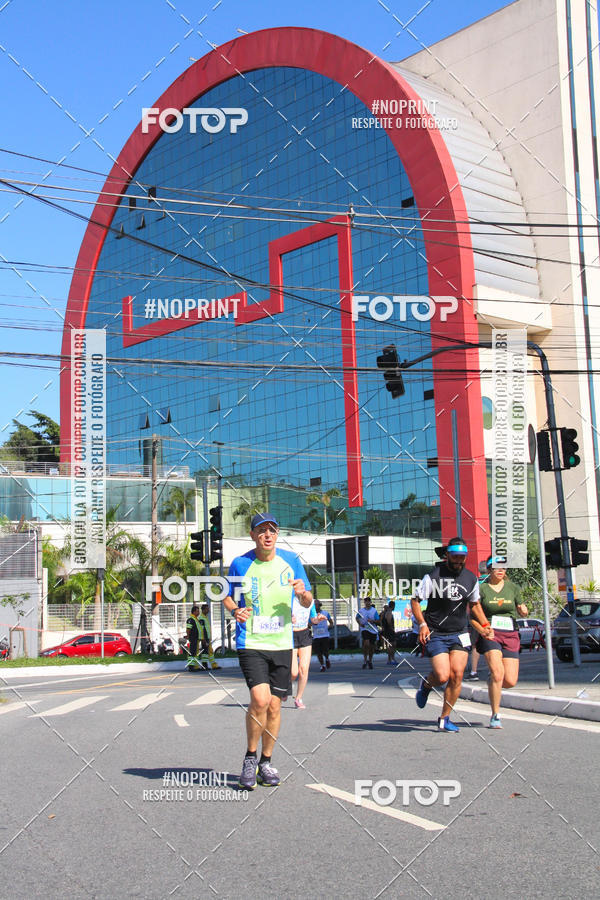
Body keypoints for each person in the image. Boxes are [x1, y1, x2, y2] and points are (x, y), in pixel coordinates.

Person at [223, 512, 313, 790]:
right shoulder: (240, 564)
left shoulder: (292, 561)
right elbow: (226, 595)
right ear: (252, 535)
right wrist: (236, 610)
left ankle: (266, 761)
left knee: (275, 706)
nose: (267, 534)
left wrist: (302, 593)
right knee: (260, 700)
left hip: (282, 644)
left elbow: (309, 600)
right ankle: (250, 759)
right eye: (261, 530)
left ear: (277, 534)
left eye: (272, 530)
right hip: (251, 642)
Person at [411, 537, 493, 732]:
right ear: (447, 555)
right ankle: (426, 686)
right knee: (441, 675)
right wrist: (422, 624)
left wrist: (485, 624)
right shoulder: (433, 577)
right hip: (436, 632)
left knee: (456, 675)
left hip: (459, 632)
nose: (458, 561)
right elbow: (415, 601)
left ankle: (444, 718)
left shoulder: (471, 578)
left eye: (462, 557)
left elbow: (474, 605)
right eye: (455, 556)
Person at [470, 556, 528, 728]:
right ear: (489, 570)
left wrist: (523, 610)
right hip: (490, 634)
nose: (501, 570)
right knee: (497, 673)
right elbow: (472, 617)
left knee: (510, 681)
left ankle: (492, 681)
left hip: (510, 633)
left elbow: (522, 608)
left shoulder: (513, 588)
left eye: (503, 567)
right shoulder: (482, 589)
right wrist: (482, 630)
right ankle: (495, 715)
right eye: (496, 568)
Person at [291, 596, 327, 708]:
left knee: (304, 669)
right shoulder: (288, 598)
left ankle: (298, 698)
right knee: (293, 672)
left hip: (305, 634)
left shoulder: (310, 601)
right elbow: (278, 618)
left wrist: (318, 619)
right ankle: (286, 685)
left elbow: (313, 619)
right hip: (290, 635)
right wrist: (287, 619)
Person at [356, 596, 379, 669]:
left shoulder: (374, 611)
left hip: (372, 629)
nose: (367, 603)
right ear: (364, 603)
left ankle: (370, 660)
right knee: (366, 643)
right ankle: (365, 660)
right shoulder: (361, 611)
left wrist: (373, 621)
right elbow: (357, 618)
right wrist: (360, 623)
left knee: (372, 647)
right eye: (366, 602)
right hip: (365, 628)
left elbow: (378, 620)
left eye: (369, 602)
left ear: (370, 602)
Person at [199, 603, 221, 670]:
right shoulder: (201, 618)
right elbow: (202, 630)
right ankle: (205, 665)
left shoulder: (205, 617)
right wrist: (204, 639)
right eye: (207, 609)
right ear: (203, 610)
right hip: (205, 638)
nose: (208, 610)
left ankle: (212, 665)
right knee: (205, 652)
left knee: (209, 652)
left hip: (207, 638)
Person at [312, 600, 332, 671]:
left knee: (325, 651)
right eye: (314, 605)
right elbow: (308, 624)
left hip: (325, 635)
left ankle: (327, 659)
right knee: (318, 652)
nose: (315, 606)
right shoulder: (312, 614)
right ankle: (322, 665)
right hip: (316, 636)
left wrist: (329, 627)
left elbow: (331, 622)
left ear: (319, 605)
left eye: (316, 605)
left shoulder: (325, 613)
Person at [185, 604, 205, 671]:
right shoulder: (191, 620)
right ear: (193, 612)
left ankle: (194, 666)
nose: (198, 613)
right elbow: (188, 629)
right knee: (192, 653)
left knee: (195, 653)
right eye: (197, 611)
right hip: (193, 638)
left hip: (196, 638)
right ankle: (191, 667)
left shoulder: (196, 619)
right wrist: (188, 637)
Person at [380, 599, 396, 664]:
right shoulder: (389, 612)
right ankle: (391, 659)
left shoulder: (384, 612)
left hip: (386, 630)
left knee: (390, 644)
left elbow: (381, 620)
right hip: (389, 630)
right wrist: (391, 627)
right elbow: (389, 620)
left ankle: (390, 659)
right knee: (392, 644)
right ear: (393, 606)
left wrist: (383, 627)